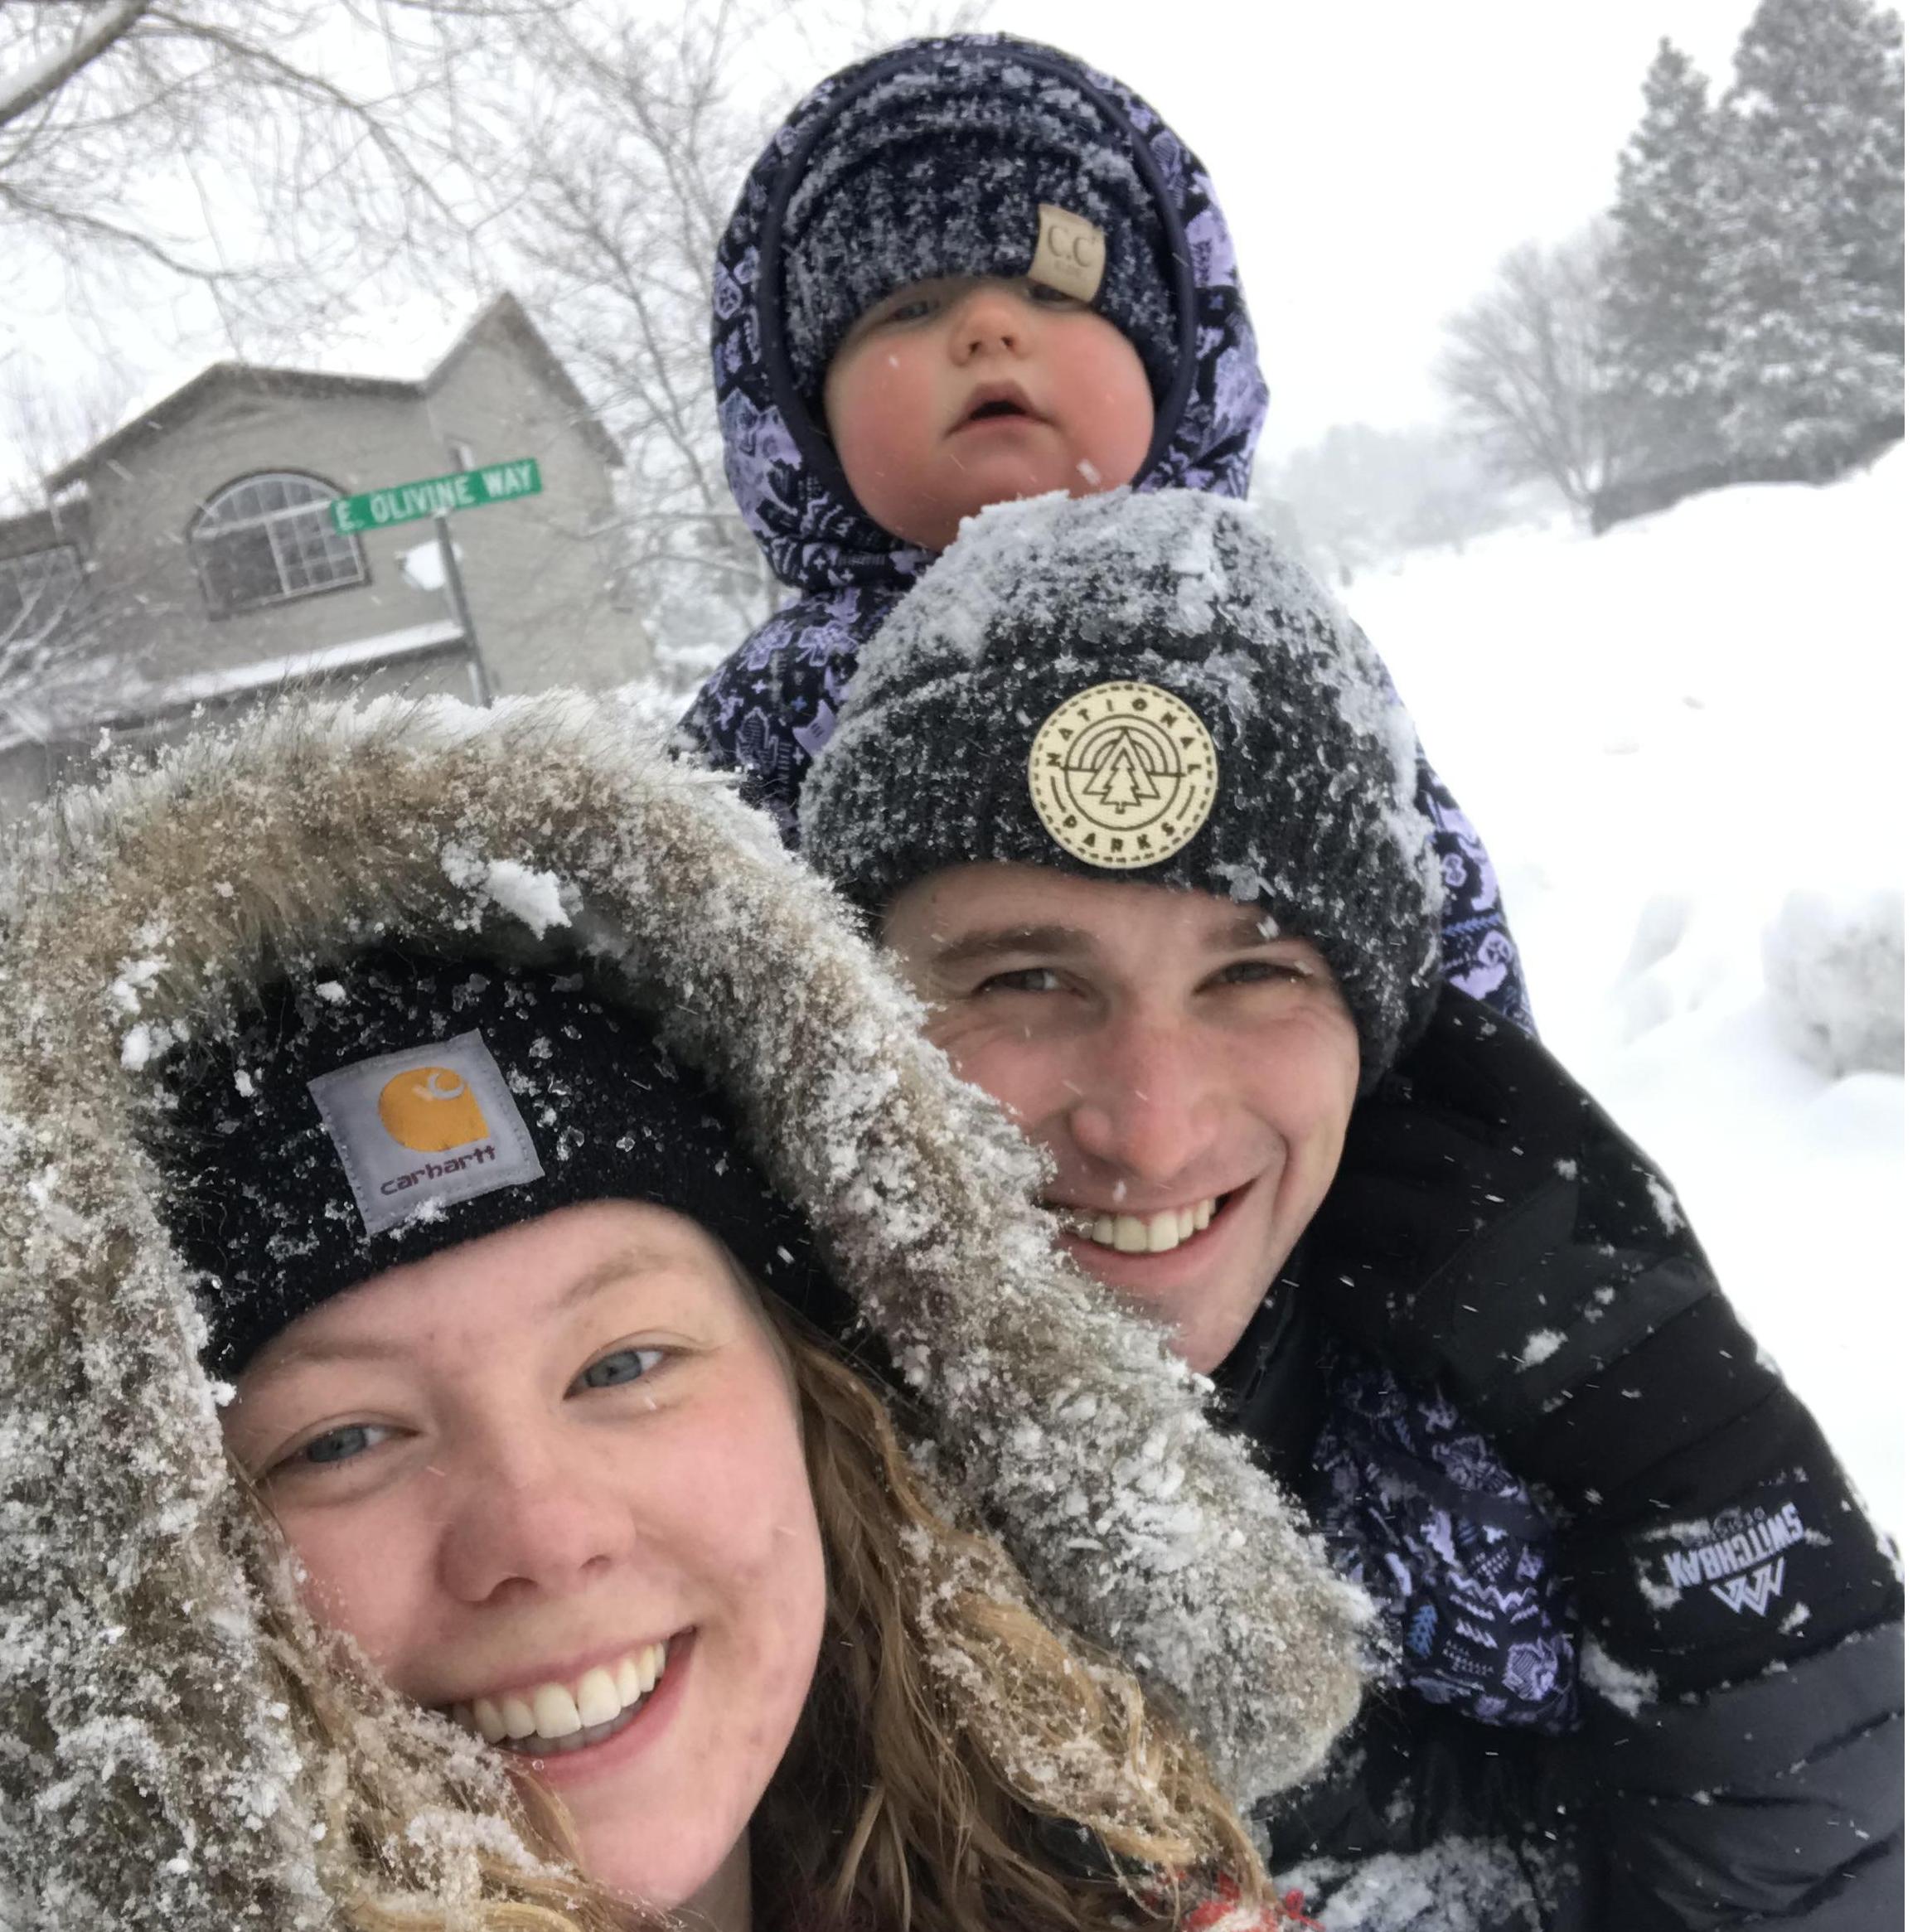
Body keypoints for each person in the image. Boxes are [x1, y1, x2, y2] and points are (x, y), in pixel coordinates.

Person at [0, 695, 1372, 1930]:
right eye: (342, 1440)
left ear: (825, 1408)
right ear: (156, 1586)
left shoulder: (1133, 1892)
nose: (542, 1534)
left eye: (625, 1363)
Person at [796, 487, 1905, 1928]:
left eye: (1251, 976)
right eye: (1024, 980)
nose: (1150, 1122)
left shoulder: (1507, 1446)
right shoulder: (733, 1482)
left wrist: (1706, 1486)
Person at [680, 31, 1533, 1030]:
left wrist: (1480, 1167)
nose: (989, 328)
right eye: (909, 307)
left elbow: (1442, 932)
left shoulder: (1262, 633)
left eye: (1051, 291)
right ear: (802, 416)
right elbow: (665, 983)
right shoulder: (781, 699)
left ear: (1172, 367)